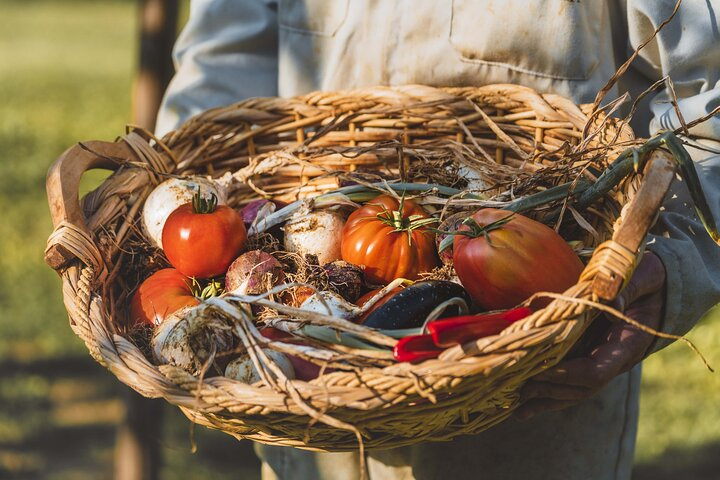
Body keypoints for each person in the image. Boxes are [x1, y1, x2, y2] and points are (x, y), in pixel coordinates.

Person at [156, 1, 720, 478]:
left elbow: (708, 88)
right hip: (301, 399)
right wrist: (181, 222)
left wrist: (671, 260)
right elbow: (226, 61)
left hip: (531, 389)